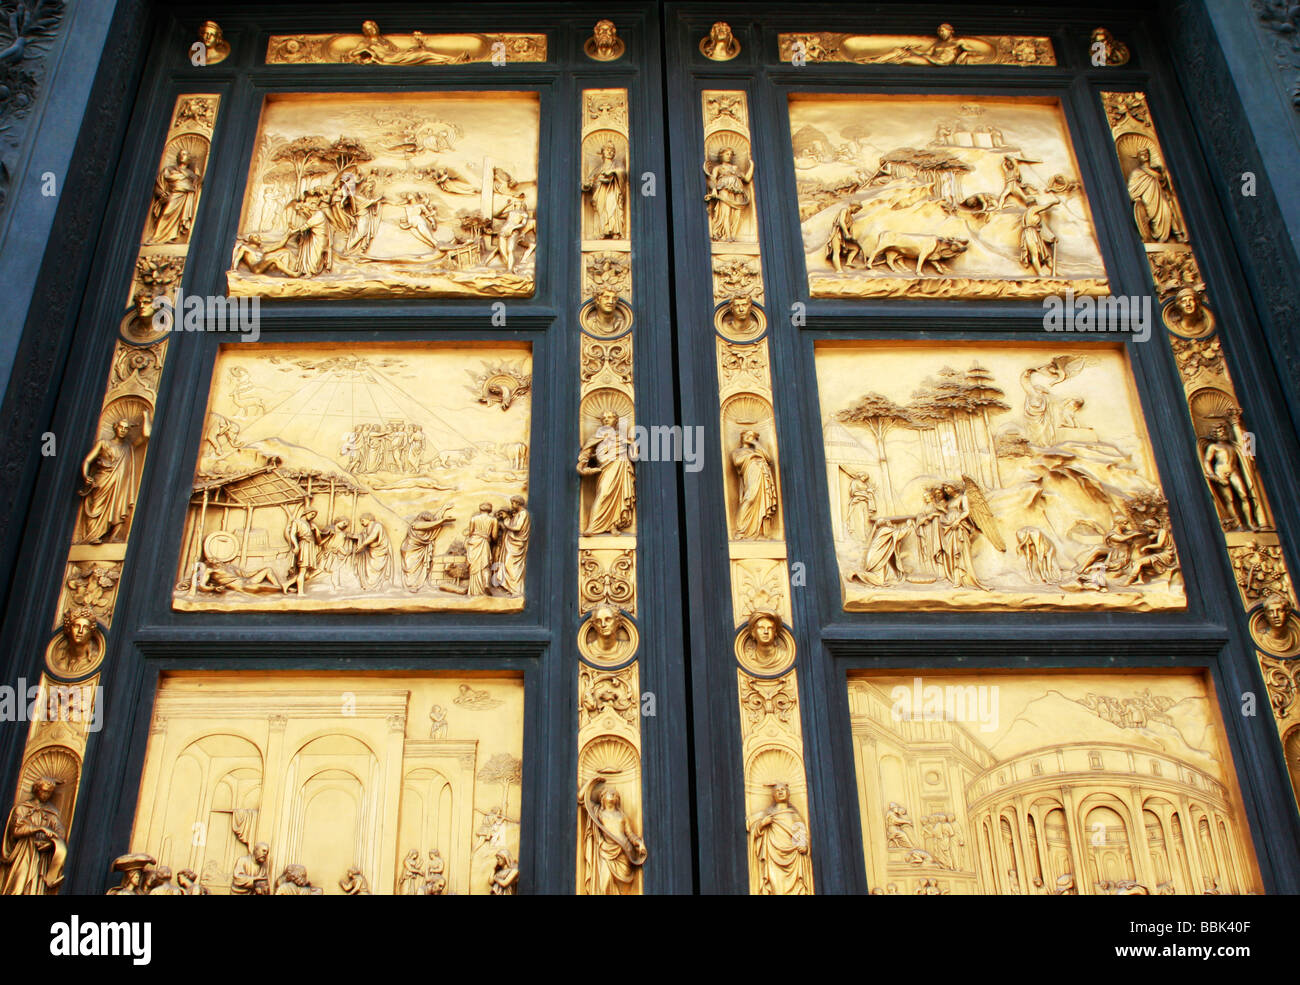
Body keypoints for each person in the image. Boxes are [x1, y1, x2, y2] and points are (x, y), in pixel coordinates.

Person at [78, 414, 150, 545]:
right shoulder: (104, 443)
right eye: (121, 427)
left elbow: (146, 435)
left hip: (119, 485)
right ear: (115, 428)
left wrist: (146, 417)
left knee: (118, 508)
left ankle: (111, 537)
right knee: (96, 507)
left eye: (126, 428)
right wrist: (85, 475)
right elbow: (88, 460)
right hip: (103, 481)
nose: (123, 430)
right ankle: (92, 535)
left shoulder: (129, 447)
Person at [579, 777, 647, 895]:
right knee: (603, 885)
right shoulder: (597, 812)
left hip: (624, 853)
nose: (612, 795)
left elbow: (630, 835)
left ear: (617, 799)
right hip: (605, 852)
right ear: (602, 798)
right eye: (609, 793)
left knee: (622, 890)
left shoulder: (622, 816)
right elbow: (581, 799)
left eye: (615, 794)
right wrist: (590, 783)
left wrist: (639, 843)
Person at [0, 777, 66, 895]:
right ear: (37, 789)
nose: (47, 795)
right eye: (44, 791)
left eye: (49, 793)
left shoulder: (51, 813)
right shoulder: (22, 809)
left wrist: (50, 843)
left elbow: (60, 833)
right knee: (19, 883)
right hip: (24, 852)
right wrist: (39, 828)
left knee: (35, 887)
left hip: (40, 858)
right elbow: (16, 830)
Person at [577, 411, 637, 534]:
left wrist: (632, 445)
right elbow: (586, 452)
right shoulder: (598, 436)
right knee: (604, 494)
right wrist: (582, 466)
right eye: (603, 418)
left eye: (609, 417)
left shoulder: (621, 437)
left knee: (618, 496)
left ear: (616, 420)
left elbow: (634, 456)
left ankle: (613, 525)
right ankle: (592, 526)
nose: (606, 419)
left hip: (621, 466)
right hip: (606, 467)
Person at [748, 782, 813, 895]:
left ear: (788, 793)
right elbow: (753, 829)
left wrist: (804, 846)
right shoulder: (768, 815)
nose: (780, 792)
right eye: (777, 791)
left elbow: (801, 833)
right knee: (777, 888)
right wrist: (763, 824)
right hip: (773, 857)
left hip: (793, 859)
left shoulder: (794, 815)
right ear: (773, 796)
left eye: (783, 789)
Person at [1127, 147, 1186, 242]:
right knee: (1153, 218)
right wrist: (1137, 199)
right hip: (1148, 199)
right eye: (1142, 154)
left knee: (1168, 212)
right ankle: (1159, 238)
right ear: (1138, 157)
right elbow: (1132, 188)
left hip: (1160, 196)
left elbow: (1163, 182)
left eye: (1146, 153)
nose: (1145, 155)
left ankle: (1178, 234)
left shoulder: (1156, 171)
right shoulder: (1137, 173)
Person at [147, 149, 202, 244]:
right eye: (180, 154)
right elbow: (159, 185)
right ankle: (158, 237)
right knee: (166, 213)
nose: (182, 156)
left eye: (185, 154)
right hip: (172, 195)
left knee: (177, 217)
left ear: (189, 158)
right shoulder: (169, 170)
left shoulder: (191, 174)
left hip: (183, 197)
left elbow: (196, 184)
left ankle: (172, 236)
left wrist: (197, 177)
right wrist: (161, 193)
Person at [731, 430, 778, 539]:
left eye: (752, 436)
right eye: (746, 435)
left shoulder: (757, 449)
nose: (748, 437)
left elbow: (769, 459)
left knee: (762, 500)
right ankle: (741, 530)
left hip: (761, 473)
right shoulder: (737, 451)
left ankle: (758, 532)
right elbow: (737, 461)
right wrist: (754, 456)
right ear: (742, 437)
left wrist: (757, 444)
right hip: (750, 473)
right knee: (750, 498)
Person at [704, 146, 754, 242]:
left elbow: (747, 179)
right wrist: (714, 190)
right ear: (721, 155)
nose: (729, 156)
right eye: (727, 154)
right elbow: (712, 180)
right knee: (725, 214)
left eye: (731, 154)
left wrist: (751, 166)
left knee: (737, 215)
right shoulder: (718, 168)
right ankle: (727, 236)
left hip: (737, 191)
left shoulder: (736, 168)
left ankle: (734, 235)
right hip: (724, 190)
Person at [583, 141, 627, 239]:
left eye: (612, 150)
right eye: (607, 150)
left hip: (612, 192)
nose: (610, 152)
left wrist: (613, 172)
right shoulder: (598, 168)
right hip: (600, 194)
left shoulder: (617, 165)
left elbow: (622, 173)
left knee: (612, 209)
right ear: (603, 152)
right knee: (601, 211)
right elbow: (590, 180)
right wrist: (588, 184)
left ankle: (615, 231)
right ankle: (602, 231)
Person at [496, 496, 530, 596]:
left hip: (517, 544)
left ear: (518, 503)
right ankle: (510, 588)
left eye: (513, 503)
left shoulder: (523, 513)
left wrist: (506, 522)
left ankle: (516, 590)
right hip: (511, 543)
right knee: (507, 564)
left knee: (510, 565)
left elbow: (517, 527)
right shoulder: (518, 514)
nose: (512, 505)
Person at [465, 502, 499, 597]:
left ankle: (474, 591)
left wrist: (478, 533)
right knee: (485, 565)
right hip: (484, 542)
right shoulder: (493, 520)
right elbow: (494, 536)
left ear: (480, 509)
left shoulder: (474, 519)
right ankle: (486, 584)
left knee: (474, 566)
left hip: (474, 542)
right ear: (490, 510)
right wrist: (491, 539)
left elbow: (470, 533)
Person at [353, 513, 393, 591]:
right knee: (368, 570)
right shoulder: (365, 529)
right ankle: (369, 586)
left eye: (362, 520)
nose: (361, 523)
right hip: (370, 552)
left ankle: (376, 586)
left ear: (368, 518)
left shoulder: (377, 526)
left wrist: (362, 545)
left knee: (375, 568)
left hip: (380, 551)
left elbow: (373, 536)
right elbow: (362, 536)